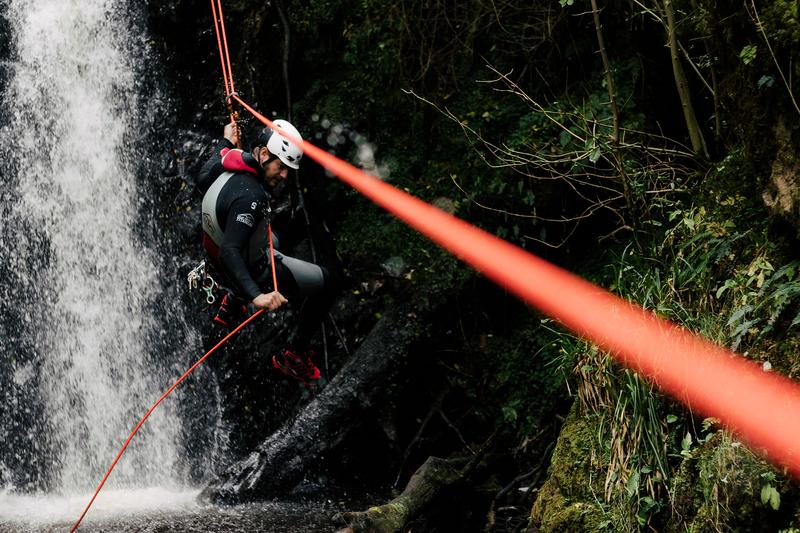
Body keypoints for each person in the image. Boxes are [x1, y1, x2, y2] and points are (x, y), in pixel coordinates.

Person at [197, 119, 336, 385]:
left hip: (214, 262)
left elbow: (202, 178)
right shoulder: (252, 197)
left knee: (275, 234)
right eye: (281, 166)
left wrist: (226, 140)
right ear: (263, 153)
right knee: (329, 283)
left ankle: (232, 302)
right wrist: (257, 296)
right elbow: (230, 251)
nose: (284, 175)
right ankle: (293, 356)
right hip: (246, 270)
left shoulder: (228, 160)